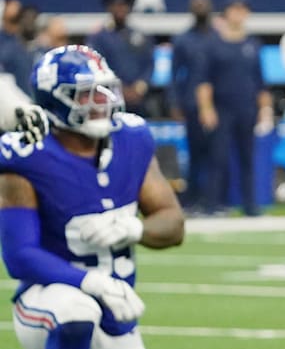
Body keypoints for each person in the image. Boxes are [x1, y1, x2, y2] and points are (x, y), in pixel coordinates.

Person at [0, 44, 184, 349]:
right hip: (47, 298)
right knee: (77, 311)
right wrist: (90, 282)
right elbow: (20, 257)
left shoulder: (131, 140)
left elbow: (174, 224)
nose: (101, 101)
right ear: (54, 100)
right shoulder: (28, 154)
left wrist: (134, 228)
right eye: (86, 94)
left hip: (117, 306)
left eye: (104, 90)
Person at [196, 0, 273, 217]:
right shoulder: (214, 44)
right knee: (217, 157)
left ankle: (250, 205)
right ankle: (212, 203)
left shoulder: (252, 44)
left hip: (247, 108)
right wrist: (206, 108)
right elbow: (204, 80)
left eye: (242, 10)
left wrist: (265, 109)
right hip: (222, 108)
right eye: (234, 9)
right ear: (226, 13)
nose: (238, 14)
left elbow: (260, 81)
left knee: (247, 157)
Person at [170, 0, 216, 209]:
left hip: (218, 103)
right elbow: (174, 73)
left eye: (203, 4)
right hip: (191, 103)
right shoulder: (183, 39)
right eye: (196, 4)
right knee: (195, 153)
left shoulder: (218, 37)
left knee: (217, 153)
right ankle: (194, 198)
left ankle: (214, 198)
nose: (200, 8)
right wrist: (175, 102)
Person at [87, 0, 154, 116]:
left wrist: (140, 87)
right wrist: (119, 89)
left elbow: (149, 64)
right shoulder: (99, 38)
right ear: (109, 7)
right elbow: (96, 65)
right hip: (108, 99)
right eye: (115, 5)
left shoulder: (141, 36)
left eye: (123, 5)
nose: (120, 8)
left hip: (138, 100)